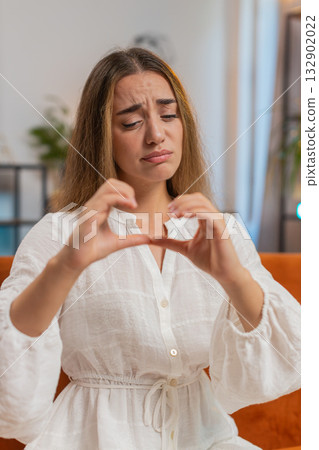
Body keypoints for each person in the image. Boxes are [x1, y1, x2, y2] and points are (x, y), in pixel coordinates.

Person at [0, 47, 300, 449]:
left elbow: (292, 356)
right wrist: (66, 266)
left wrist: (233, 277)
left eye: (168, 114)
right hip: (95, 438)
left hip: (204, 437)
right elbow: (11, 382)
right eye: (132, 121)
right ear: (101, 135)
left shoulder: (218, 231)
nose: (156, 134)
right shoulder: (60, 234)